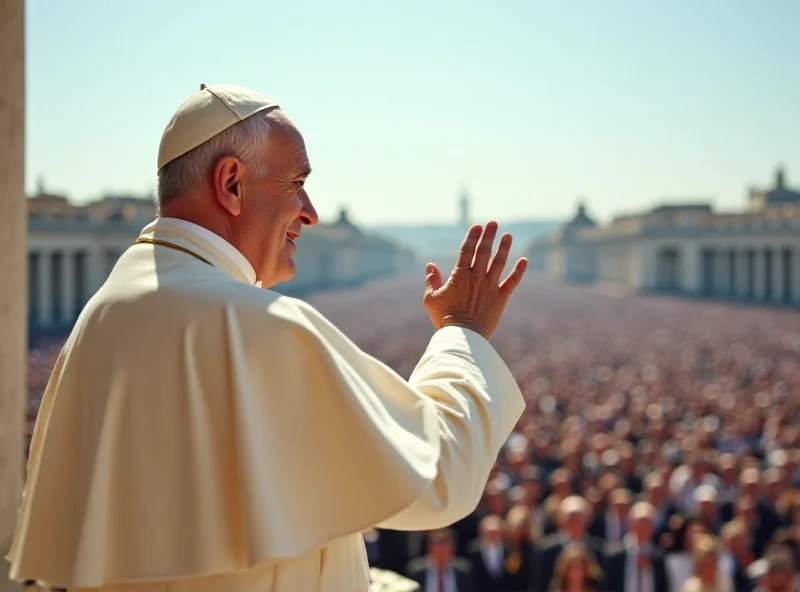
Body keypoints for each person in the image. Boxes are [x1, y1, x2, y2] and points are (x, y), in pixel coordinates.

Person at [6, 84, 528, 592]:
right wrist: (463, 329)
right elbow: (440, 474)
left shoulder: (100, 317)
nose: (310, 211)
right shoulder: (257, 324)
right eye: (296, 182)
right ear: (231, 183)